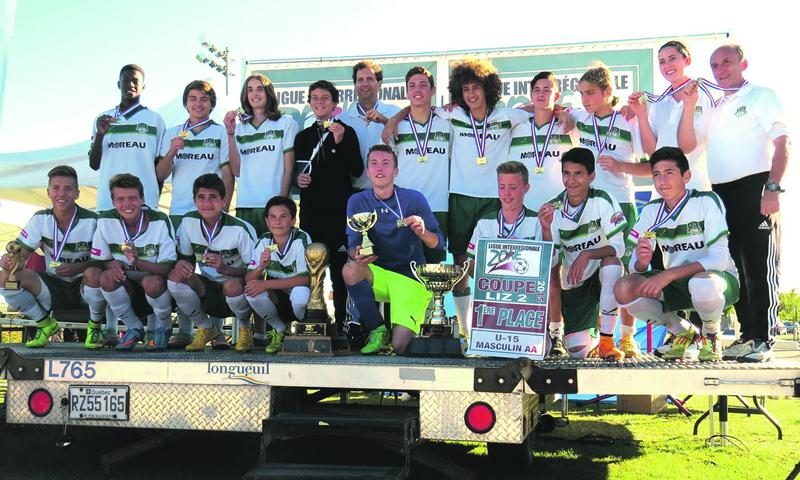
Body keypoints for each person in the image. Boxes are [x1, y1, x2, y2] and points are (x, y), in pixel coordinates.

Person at [384, 58, 529, 339]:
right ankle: (465, 330)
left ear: (488, 88)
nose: (471, 94)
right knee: (461, 263)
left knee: (499, 261)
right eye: (465, 90)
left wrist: (559, 111)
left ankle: (505, 328)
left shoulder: (507, 115)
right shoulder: (453, 115)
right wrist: (392, 119)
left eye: (476, 88)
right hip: (460, 198)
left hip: (493, 199)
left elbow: (535, 111)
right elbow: (415, 107)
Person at [690, 44, 789, 362]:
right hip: (721, 194)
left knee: (759, 265)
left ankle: (764, 339)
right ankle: (747, 335)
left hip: (756, 188)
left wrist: (772, 188)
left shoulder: (761, 95)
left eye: (727, 62)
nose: (721, 69)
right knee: (734, 265)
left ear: (743, 63)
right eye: (715, 65)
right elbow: (689, 143)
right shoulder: (714, 105)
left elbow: (783, 142)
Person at [614, 147, 740, 362]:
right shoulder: (651, 211)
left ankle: (711, 333)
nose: (662, 180)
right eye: (656, 174)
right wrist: (642, 263)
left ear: (686, 176)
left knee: (702, 284)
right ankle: (682, 331)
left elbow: (718, 259)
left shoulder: (706, 201)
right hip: (676, 285)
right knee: (624, 288)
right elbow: (635, 266)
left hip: (717, 281)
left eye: (669, 173)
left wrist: (668, 275)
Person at [569, 63, 650, 357]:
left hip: (620, 204)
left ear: (607, 92)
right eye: (581, 93)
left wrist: (620, 166)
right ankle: (600, 339)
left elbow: (651, 167)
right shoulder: (580, 116)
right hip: (589, 208)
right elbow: (551, 110)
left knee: (624, 271)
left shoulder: (627, 121)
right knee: (598, 271)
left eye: (590, 93)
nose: (584, 99)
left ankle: (627, 338)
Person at [343, 144, 444, 354]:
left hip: (410, 278)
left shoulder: (414, 199)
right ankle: (377, 329)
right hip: (380, 276)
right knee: (350, 269)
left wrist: (422, 231)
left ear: (396, 171)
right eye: (374, 164)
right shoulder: (357, 201)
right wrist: (358, 254)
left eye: (386, 163)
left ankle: (407, 329)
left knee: (399, 346)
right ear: (368, 171)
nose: (380, 168)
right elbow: (352, 245)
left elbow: (438, 243)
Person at [157, 80, 234, 349]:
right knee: (182, 271)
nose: (198, 103)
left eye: (204, 99)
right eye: (193, 98)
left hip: (210, 212)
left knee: (213, 271)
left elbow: (227, 172)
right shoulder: (172, 132)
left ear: (212, 104)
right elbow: (160, 174)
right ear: (185, 103)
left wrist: (225, 205)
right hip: (180, 212)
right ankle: (187, 329)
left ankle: (219, 331)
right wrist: (171, 151)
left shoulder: (220, 132)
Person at [0, 166, 107, 350]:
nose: (61, 193)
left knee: (94, 273)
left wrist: (77, 269)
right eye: (56, 188)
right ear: (48, 192)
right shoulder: (40, 219)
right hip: (52, 287)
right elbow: (22, 256)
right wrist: (11, 261)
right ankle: (45, 324)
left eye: (68, 188)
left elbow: (105, 261)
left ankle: (94, 328)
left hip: (84, 287)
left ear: (77, 193)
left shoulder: (93, 221)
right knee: (4, 277)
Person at [538, 148, 628, 359]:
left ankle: (607, 340)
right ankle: (593, 334)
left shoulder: (603, 200)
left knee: (613, 264)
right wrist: (545, 229)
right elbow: (550, 262)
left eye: (578, 173)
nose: (571, 180)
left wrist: (587, 254)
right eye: (566, 173)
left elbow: (619, 248)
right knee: (578, 353)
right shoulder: (554, 208)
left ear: (591, 176)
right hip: (576, 282)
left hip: (602, 275)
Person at [294, 80, 363, 332]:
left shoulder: (346, 131)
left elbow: (357, 170)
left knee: (340, 271)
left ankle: (344, 325)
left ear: (335, 103)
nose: (319, 101)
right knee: (314, 271)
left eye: (325, 97)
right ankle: (315, 321)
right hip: (312, 213)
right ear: (310, 103)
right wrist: (298, 180)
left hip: (340, 214)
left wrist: (341, 141)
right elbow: (297, 174)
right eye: (314, 97)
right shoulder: (303, 137)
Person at [167, 174, 256, 352]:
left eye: (212, 197)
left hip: (237, 287)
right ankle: (206, 328)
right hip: (208, 286)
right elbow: (185, 258)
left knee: (231, 285)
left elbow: (255, 272)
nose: (207, 203)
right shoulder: (188, 222)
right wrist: (181, 264)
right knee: (175, 277)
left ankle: (245, 330)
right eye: (201, 197)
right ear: (194, 201)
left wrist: (225, 268)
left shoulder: (239, 228)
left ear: (224, 201)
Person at [92, 174, 176, 351]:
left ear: (142, 199)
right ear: (113, 202)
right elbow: (101, 260)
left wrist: (138, 262)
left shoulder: (159, 220)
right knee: (106, 277)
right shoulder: (105, 220)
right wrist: (112, 265)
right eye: (120, 199)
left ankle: (164, 328)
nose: (127, 204)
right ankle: (134, 328)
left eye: (132, 198)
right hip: (126, 283)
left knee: (153, 282)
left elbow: (167, 268)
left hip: (154, 283)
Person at [628, 41, 713, 191]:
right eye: (662, 61)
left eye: (672, 58)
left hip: (694, 188)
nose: (667, 65)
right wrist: (641, 116)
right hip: (662, 190)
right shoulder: (659, 102)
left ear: (687, 60)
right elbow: (653, 152)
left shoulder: (703, 96)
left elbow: (687, 147)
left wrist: (688, 105)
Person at [388, 66, 451, 263]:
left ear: (432, 90)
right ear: (406, 92)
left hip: (438, 206)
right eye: (412, 86)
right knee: (404, 266)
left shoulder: (447, 122)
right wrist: (396, 118)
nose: (417, 90)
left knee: (433, 270)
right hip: (405, 206)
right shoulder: (396, 127)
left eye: (423, 85)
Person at [224, 74, 299, 238]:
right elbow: (237, 171)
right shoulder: (239, 128)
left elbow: (289, 168)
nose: (255, 94)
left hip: (274, 208)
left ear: (268, 93)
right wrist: (230, 134)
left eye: (260, 89)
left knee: (275, 259)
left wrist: (281, 202)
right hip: (246, 205)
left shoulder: (286, 123)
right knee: (250, 261)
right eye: (250, 90)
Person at [89, 64, 166, 212]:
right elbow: (94, 164)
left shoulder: (155, 120)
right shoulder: (103, 119)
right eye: (125, 80)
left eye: (135, 81)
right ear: (119, 84)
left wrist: (154, 200)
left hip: (145, 204)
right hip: (108, 202)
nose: (130, 84)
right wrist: (100, 135)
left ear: (143, 86)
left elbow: (159, 169)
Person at [243, 196, 311, 353]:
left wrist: (266, 284)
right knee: (251, 290)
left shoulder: (301, 239)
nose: (277, 222)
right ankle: (280, 330)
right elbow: (248, 278)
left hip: (300, 292)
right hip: (278, 295)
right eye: (272, 217)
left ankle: (305, 330)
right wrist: (260, 267)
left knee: (300, 295)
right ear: (267, 221)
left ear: (293, 220)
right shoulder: (264, 240)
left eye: (283, 216)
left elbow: (304, 279)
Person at [509, 71, 578, 211]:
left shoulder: (569, 124)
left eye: (547, 90)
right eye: (537, 90)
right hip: (524, 210)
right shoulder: (516, 127)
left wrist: (563, 111)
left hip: (560, 208)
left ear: (556, 96)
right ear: (531, 96)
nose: (541, 94)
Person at [343, 60, 400, 190]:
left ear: (379, 84)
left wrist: (386, 121)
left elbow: (403, 143)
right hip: (355, 192)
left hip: (389, 190)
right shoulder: (343, 120)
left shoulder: (394, 113)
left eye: (369, 79)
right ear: (355, 84)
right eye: (360, 80)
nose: (364, 84)